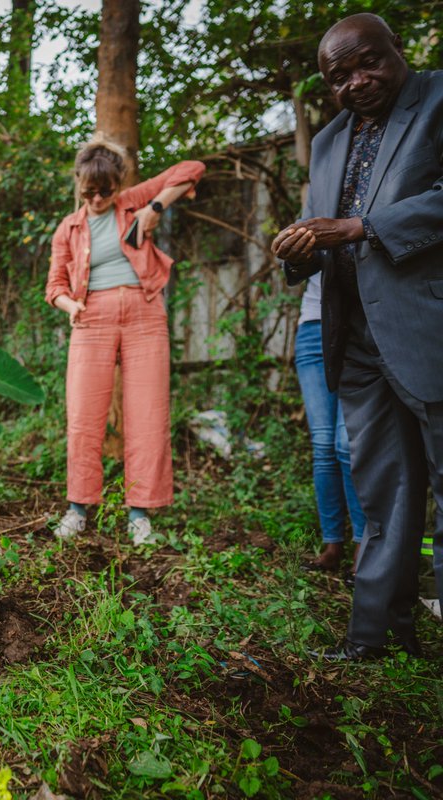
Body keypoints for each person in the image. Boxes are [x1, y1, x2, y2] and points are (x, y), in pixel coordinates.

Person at [273, 13, 443, 662]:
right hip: (358, 342)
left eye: (367, 62)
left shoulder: (437, 98)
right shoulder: (329, 141)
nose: (356, 82)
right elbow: (320, 230)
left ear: (396, 48)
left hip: (429, 329)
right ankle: (377, 638)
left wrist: (360, 227)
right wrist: (299, 249)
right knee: (382, 493)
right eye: (338, 77)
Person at [46, 135, 204, 544]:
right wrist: (70, 305)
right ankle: (78, 507)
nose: (98, 199)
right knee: (83, 417)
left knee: (148, 415)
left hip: (144, 315)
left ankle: (140, 514)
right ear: (79, 184)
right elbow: (55, 285)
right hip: (91, 318)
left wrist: (155, 208)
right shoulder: (68, 229)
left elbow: (191, 169)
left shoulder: (132, 201)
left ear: (118, 185)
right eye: (89, 192)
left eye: (106, 191)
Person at [294, 273, 367, 572]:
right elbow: (289, 265)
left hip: (356, 327)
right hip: (312, 327)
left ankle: (364, 544)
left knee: (346, 444)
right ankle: (332, 545)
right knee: (323, 445)